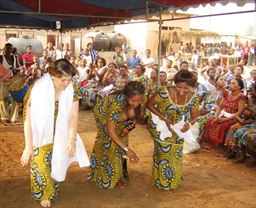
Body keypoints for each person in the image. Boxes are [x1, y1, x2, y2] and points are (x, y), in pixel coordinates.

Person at [20, 59, 90, 207]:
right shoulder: (37, 89)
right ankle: (45, 194)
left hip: (61, 135)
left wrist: (71, 139)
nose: (66, 83)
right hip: (40, 136)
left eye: (69, 80)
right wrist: (28, 145)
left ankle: (50, 191)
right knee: (40, 166)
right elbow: (28, 119)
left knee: (57, 163)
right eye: (63, 80)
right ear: (52, 76)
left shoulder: (72, 88)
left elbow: (73, 116)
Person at [148, 70, 199, 191]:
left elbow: (195, 117)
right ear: (174, 83)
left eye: (186, 88)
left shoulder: (194, 98)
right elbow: (150, 105)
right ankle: (164, 182)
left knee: (175, 154)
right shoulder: (164, 92)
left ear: (192, 87)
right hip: (159, 126)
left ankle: (171, 180)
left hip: (179, 128)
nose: (181, 91)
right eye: (178, 87)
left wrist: (188, 124)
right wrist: (163, 117)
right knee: (164, 153)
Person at [87, 81, 145, 189]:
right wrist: (128, 150)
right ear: (126, 97)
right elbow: (111, 131)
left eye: (139, 101)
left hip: (120, 118)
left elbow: (138, 115)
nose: (136, 103)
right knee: (110, 143)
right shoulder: (116, 104)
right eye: (133, 101)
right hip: (103, 116)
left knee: (122, 140)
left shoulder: (141, 98)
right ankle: (108, 174)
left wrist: (128, 127)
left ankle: (119, 173)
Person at [201, 78, 246, 148]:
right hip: (223, 114)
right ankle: (209, 143)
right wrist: (216, 116)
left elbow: (239, 113)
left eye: (233, 83)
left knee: (222, 125)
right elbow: (220, 106)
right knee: (210, 121)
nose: (230, 85)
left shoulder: (242, 97)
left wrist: (225, 119)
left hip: (233, 117)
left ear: (239, 86)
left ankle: (218, 146)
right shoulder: (227, 94)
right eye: (230, 83)